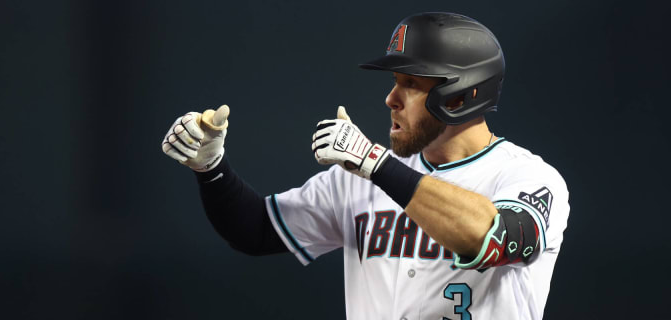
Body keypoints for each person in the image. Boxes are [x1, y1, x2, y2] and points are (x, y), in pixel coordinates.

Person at [161, 12, 569, 320]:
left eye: (411, 83)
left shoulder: (527, 177)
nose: (391, 98)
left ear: (460, 97)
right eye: (395, 82)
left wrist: (375, 163)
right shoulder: (360, 177)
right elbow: (255, 231)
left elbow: (495, 237)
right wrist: (212, 169)